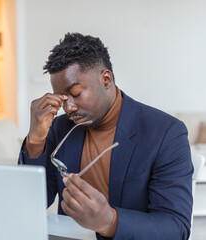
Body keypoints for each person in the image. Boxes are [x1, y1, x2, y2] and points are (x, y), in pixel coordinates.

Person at [18, 32, 193, 240]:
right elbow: (29, 205)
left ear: (106, 79)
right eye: (62, 99)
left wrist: (109, 221)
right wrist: (35, 140)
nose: (69, 107)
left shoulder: (166, 133)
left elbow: (176, 228)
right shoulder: (59, 128)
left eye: (75, 94)